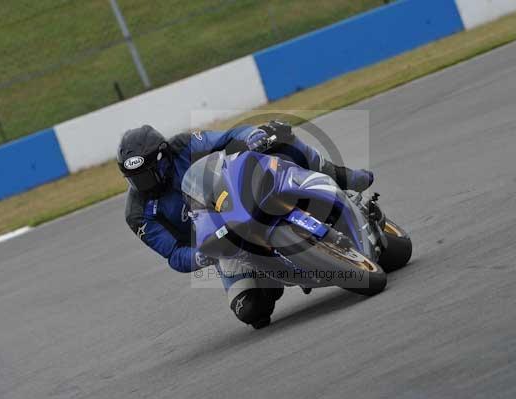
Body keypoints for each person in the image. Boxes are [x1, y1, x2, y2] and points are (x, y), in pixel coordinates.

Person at [118, 122, 373, 329]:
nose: (142, 184)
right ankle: (271, 278)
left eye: (146, 173)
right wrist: (202, 255)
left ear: (163, 158)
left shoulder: (184, 145)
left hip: (239, 196)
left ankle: (340, 176)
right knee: (252, 311)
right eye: (134, 179)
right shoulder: (138, 214)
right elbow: (174, 255)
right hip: (222, 242)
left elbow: (229, 136)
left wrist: (252, 135)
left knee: (278, 135)